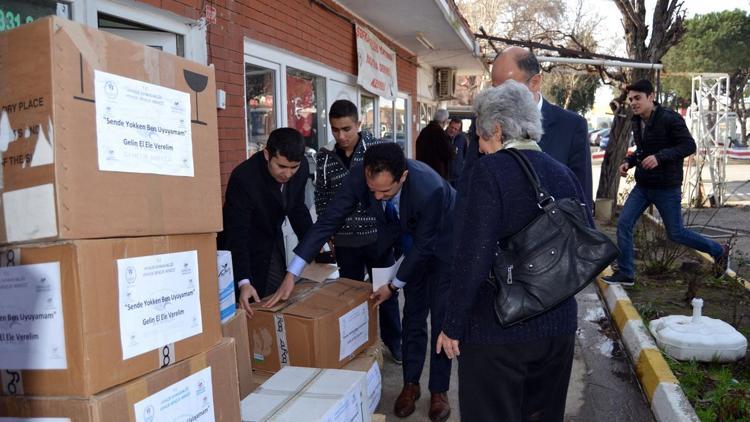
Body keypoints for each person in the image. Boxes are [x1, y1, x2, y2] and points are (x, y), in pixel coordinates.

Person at [267, 143, 456, 422]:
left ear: (402, 177)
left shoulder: (431, 189)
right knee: (414, 314)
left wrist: (393, 286)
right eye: (372, 190)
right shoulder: (360, 177)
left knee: (440, 319)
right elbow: (328, 221)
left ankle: (439, 390)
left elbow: (425, 247)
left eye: (385, 192)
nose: (377, 197)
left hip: (442, 245)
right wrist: (293, 272)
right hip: (405, 235)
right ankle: (410, 384)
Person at [436, 80, 591, 421]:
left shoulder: (488, 172)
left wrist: (453, 324)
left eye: (480, 135)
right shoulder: (563, 173)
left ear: (497, 129)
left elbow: (473, 256)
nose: (477, 144)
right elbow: (584, 235)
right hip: (558, 327)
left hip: (497, 333)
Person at [603, 79, 730, 286]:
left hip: (666, 187)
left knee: (676, 233)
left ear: (651, 97)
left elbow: (689, 145)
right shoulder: (636, 120)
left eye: (638, 98)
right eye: (631, 99)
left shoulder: (669, 118)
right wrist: (628, 162)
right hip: (643, 186)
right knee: (624, 224)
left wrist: (660, 157)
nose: (633, 103)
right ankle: (626, 273)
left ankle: (719, 250)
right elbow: (642, 150)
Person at [314, 99, 402, 362]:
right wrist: (327, 234)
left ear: (359, 124)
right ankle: (359, 346)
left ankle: (395, 344)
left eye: (347, 129)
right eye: (335, 130)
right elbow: (322, 196)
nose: (341, 136)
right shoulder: (325, 157)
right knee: (350, 299)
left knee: (385, 295)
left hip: (378, 239)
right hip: (345, 242)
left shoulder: (378, 149)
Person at [218, 128, 312, 316]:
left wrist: (313, 245)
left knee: (278, 295)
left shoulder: (301, 168)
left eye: (293, 167)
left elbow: (297, 208)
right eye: (281, 166)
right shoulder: (244, 178)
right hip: (243, 245)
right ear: (267, 154)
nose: (287, 174)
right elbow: (237, 234)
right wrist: (243, 281)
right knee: (249, 300)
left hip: (271, 239)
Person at [491, 46, 593, 208]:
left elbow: (581, 199)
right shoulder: (485, 123)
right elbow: (469, 189)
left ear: (535, 82)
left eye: (508, 89)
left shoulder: (571, 127)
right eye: (494, 88)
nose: (498, 98)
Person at [416, 109, 455, 180]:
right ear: (444, 121)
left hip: (423, 171)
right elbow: (449, 153)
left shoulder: (424, 131)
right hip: (436, 174)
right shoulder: (440, 133)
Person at [446, 117, 468, 186]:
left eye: (456, 129)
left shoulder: (462, 138)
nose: (453, 130)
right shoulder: (442, 137)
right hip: (445, 176)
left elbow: (465, 155)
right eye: (452, 127)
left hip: (458, 177)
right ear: (448, 125)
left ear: (459, 130)